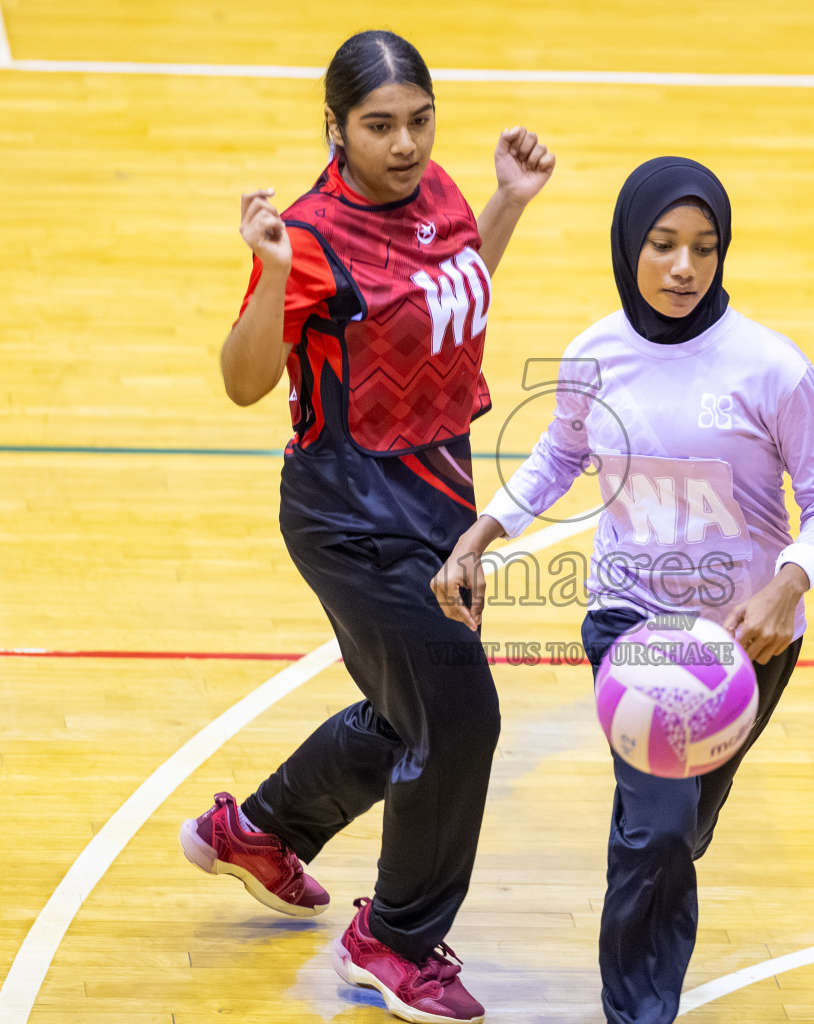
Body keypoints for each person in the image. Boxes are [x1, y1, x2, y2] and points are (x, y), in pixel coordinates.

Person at [177, 30, 554, 1024]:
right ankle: (392, 941)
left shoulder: (441, 201)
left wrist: (505, 205)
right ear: (336, 129)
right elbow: (243, 381)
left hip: (438, 499)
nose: (405, 146)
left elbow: (450, 303)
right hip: (350, 512)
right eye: (380, 127)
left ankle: (261, 831)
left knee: (407, 716)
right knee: (461, 716)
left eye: (420, 122)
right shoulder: (310, 235)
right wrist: (267, 272)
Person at [433, 157, 814, 1024]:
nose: (682, 268)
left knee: (678, 832)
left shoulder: (773, 369)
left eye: (703, 248)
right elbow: (558, 455)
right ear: (630, 245)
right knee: (656, 830)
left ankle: (659, 865)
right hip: (631, 620)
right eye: (663, 245)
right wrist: (486, 530)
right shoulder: (596, 353)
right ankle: (638, 1012)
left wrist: (786, 587)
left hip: (750, 638)